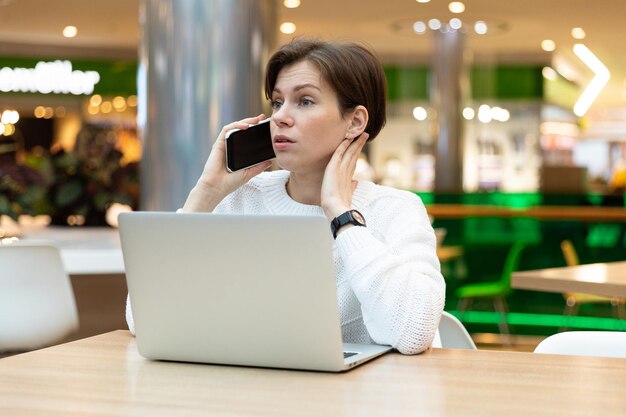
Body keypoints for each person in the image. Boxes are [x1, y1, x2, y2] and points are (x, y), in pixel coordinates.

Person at [126, 38, 445, 355]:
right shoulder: (240, 199)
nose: (280, 117)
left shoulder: (396, 209)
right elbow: (143, 319)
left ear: (355, 121)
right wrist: (205, 195)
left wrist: (341, 215)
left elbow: (414, 332)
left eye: (305, 101)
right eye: (277, 102)